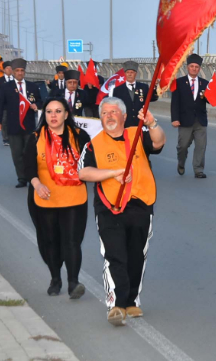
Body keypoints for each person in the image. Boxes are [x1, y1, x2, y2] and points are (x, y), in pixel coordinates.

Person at [78, 97, 165, 326]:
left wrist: (152, 123)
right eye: (105, 112)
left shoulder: (137, 135)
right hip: (110, 207)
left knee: (137, 256)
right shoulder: (94, 144)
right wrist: (113, 173)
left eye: (114, 112)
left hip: (140, 205)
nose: (109, 116)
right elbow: (84, 173)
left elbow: (158, 143)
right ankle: (115, 305)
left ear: (124, 117)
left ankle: (131, 301)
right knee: (115, 255)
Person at [24, 98, 90, 298]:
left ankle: (73, 283)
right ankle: (55, 278)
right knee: (50, 241)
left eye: (58, 111)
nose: (53, 116)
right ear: (44, 115)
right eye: (49, 111)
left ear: (66, 114)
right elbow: (29, 167)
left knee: (72, 241)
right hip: (46, 197)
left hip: (74, 197)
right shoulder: (36, 138)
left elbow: (91, 163)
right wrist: (37, 184)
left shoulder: (80, 136)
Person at [0, 59, 42, 188]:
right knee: (17, 154)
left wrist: (36, 105)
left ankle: (32, 177)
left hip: (29, 125)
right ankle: (22, 178)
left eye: (22, 70)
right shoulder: (6, 87)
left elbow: (40, 101)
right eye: (17, 70)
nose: (20, 73)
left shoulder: (32, 86)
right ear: (13, 71)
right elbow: (0, 104)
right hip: (13, 125)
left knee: (30, 152)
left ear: (24, 72)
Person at [170, 54, 209, 178]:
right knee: (183, 146)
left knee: (201, 146)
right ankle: (181, 163)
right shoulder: (179, 82)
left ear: (199, 69)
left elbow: (210, 100)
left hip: (200, 120)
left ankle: (198, 170)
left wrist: (210, 95)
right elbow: (175, 102)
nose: (194, 69)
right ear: (187, 67)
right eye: (192, 66)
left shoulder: (205, 83)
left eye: (196, 67)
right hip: (184, 120)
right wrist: (175, 119)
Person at [111, 61, 158, 128]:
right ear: (125, 74)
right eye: (128, 72)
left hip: (141, 123)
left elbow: (152, 98)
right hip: (125, 124)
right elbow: (115, 107)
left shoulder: (143, 87)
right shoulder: (118, 90)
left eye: (132, 72)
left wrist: (154, 87)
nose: (130, 74)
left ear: (135, 74)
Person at [0, 61, 13, 147]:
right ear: (4, 70)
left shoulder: (15, 79)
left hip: (14, 104)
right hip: (4, 104)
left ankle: (12, 137)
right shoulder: (0, 81)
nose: (9, 70)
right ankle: (5, 138)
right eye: (7, 68)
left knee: (13, 121)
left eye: (11, 68)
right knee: (4, 121)